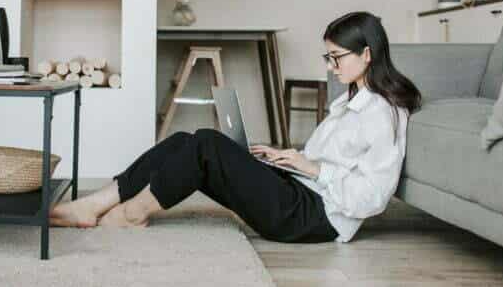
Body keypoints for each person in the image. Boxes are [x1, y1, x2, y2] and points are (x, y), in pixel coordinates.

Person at [50, 12, 422, 243]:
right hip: (300, 192)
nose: (329, 66)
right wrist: (289, 157)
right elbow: (326, 162)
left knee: (207, 145)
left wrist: (312, 168)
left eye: (336, 57)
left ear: (367, 54)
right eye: (328, 57)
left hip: (315, 218)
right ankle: (99, 201)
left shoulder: (384, 114)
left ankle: (132, 214)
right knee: (185, 139)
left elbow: (373, 197)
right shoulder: (350, 102)